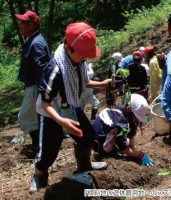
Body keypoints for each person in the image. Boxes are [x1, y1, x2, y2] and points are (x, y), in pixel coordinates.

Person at [30, 22, 111, 192]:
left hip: (70, 106)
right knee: (48, 152)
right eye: (83, 54)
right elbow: (44, 101)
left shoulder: (78, 62)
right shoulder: (55, 70)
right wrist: (61, 121)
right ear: (68, 48)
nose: (85, 58)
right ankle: (40, 175)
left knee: (87, 135)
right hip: (50, 113)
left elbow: (85, 82)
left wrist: (102, 84)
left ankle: (84, 165)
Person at [15, 10, 51, 156]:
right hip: (34, 86)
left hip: (36, 86)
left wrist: (42, 91)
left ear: (31, 25)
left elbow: (42, 69)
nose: (20, 25)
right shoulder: (35, 40)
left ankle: (38, 147)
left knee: (24, 118)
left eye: (23, 22)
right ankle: (39, 146)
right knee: (34, 117)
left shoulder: (36, 43)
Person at [92, 94, 153, 166]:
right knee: (122, 145)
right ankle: (105, 153)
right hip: (99, 145)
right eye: (136, 116)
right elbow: (123, 149)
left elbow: (131, 133)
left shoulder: (119, 107)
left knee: (126, 139)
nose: (137, 119)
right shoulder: (121, 123)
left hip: (95, 134)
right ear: (129, 109)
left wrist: (132, 147)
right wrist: (140, 155)